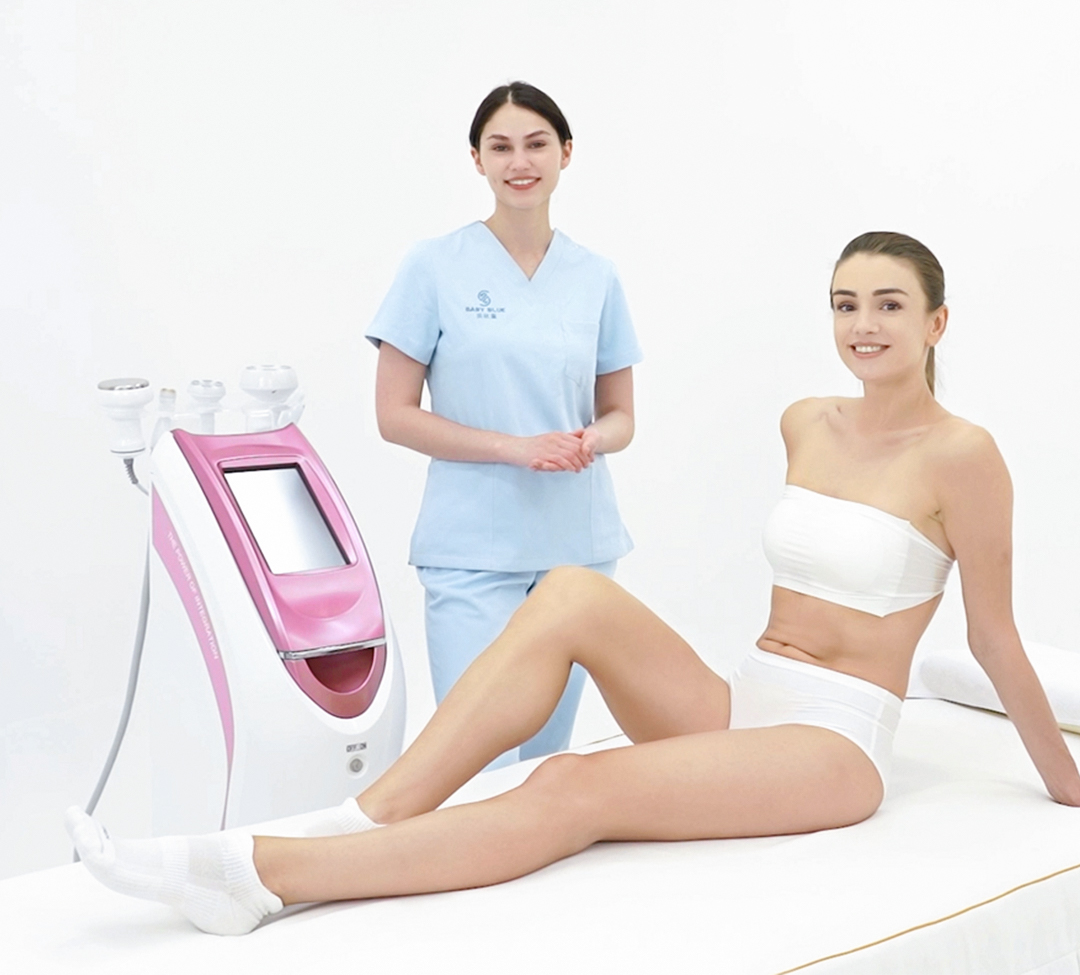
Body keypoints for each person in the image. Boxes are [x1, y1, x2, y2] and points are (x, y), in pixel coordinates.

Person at [67, 230, 1080, 936]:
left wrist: (1067, 781)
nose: (863, 324)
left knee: (570, 781)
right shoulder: (806, 420)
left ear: (937, 322)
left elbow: (991, 636)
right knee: (569, 591)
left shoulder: (964, 456)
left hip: (834, 741)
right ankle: (368, 813)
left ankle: (265, 874)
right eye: (845, 303)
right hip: (743, 699)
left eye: (890, 305)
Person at [364, 82, 641, 764]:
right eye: (501, 147)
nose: (520, 161)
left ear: (566, 152)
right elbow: (394, 415)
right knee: (474, 764)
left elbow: (621, 416)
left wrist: (592, 439)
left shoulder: (595, 276)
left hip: (575, 551)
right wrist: (515, 448)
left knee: (543, 768)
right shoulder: (433, 266)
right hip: (473, 550)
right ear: (477, 160)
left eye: (537, 143)